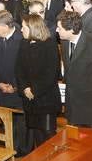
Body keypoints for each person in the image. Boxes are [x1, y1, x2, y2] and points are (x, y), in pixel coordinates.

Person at [56, 10, 92, 137]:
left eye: (59, 28)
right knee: (75, 137)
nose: (57, 31)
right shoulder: (64, 42)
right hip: (72, 100)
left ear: (70, 29)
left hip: (90, 100)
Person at [15, 14, 61, 149]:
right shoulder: (23, 43)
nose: (21, 30)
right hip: (29, 99)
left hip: (46, 99)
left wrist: (34, 90)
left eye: (23, 27)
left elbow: (52, 74)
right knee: (36, 135)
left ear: (33, 28)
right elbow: (18, 70)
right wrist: (25, 88)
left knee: (48, 136)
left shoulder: (49, 44)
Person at [0, 9, 28, 156]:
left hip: (18, 92)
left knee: (21, 125)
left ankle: (22, 153)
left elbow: (25, 67)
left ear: (6, 26)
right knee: (8, 124)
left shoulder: (21, 39)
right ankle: (11, 149)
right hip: (2, 91)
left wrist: (15, 87)